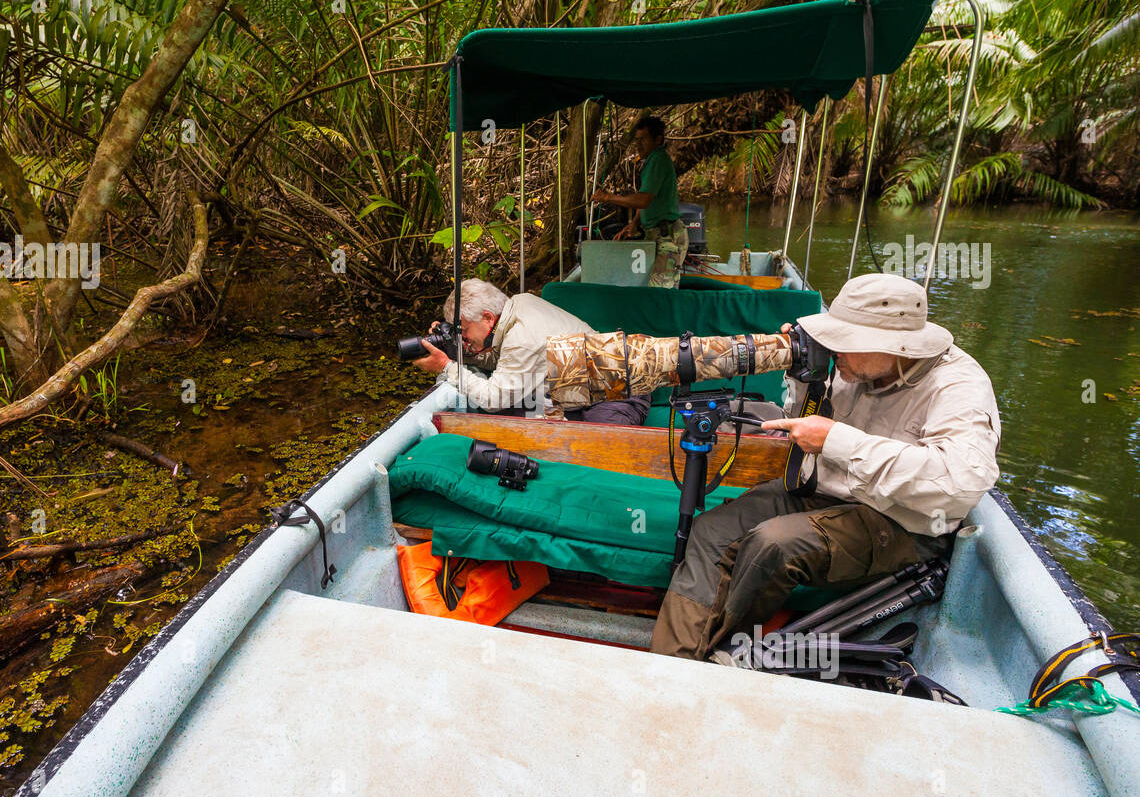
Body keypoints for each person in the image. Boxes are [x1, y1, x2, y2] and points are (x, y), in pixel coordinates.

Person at [651, 273, 1002, 659]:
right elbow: (802, 421)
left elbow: (961, 484)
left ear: (895, 346)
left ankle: (726, 649)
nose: (835, 350)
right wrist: (806, 376)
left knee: (774, 544)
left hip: (902, 521)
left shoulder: (957, 385)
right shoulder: (854, 364)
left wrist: (836, 440)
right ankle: (673, 661)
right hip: (823, 493)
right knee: (711, 530)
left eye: (845, 342)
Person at [410, 278, 651, 424]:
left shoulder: (523, 337)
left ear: (487, 318)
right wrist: (460, 350)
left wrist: (447, 366)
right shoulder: (521, 302)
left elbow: (494, 399)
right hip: (578, 391)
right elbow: (501, 359)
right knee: (522, 415)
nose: (463, 336)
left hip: (619, 393)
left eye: (464, 329)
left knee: (593, 451)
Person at [591, 116, 687, 289]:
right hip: (657, 235)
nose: (638, 144)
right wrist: (634, 223)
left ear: (658, 140)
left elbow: (643, 200)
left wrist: (608, 197)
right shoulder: (652, 160)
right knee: (656, 290)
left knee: (659, 294)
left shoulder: (658, 159)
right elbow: (648, 198)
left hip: (668, 237)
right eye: (637, 140)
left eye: (643, 139)